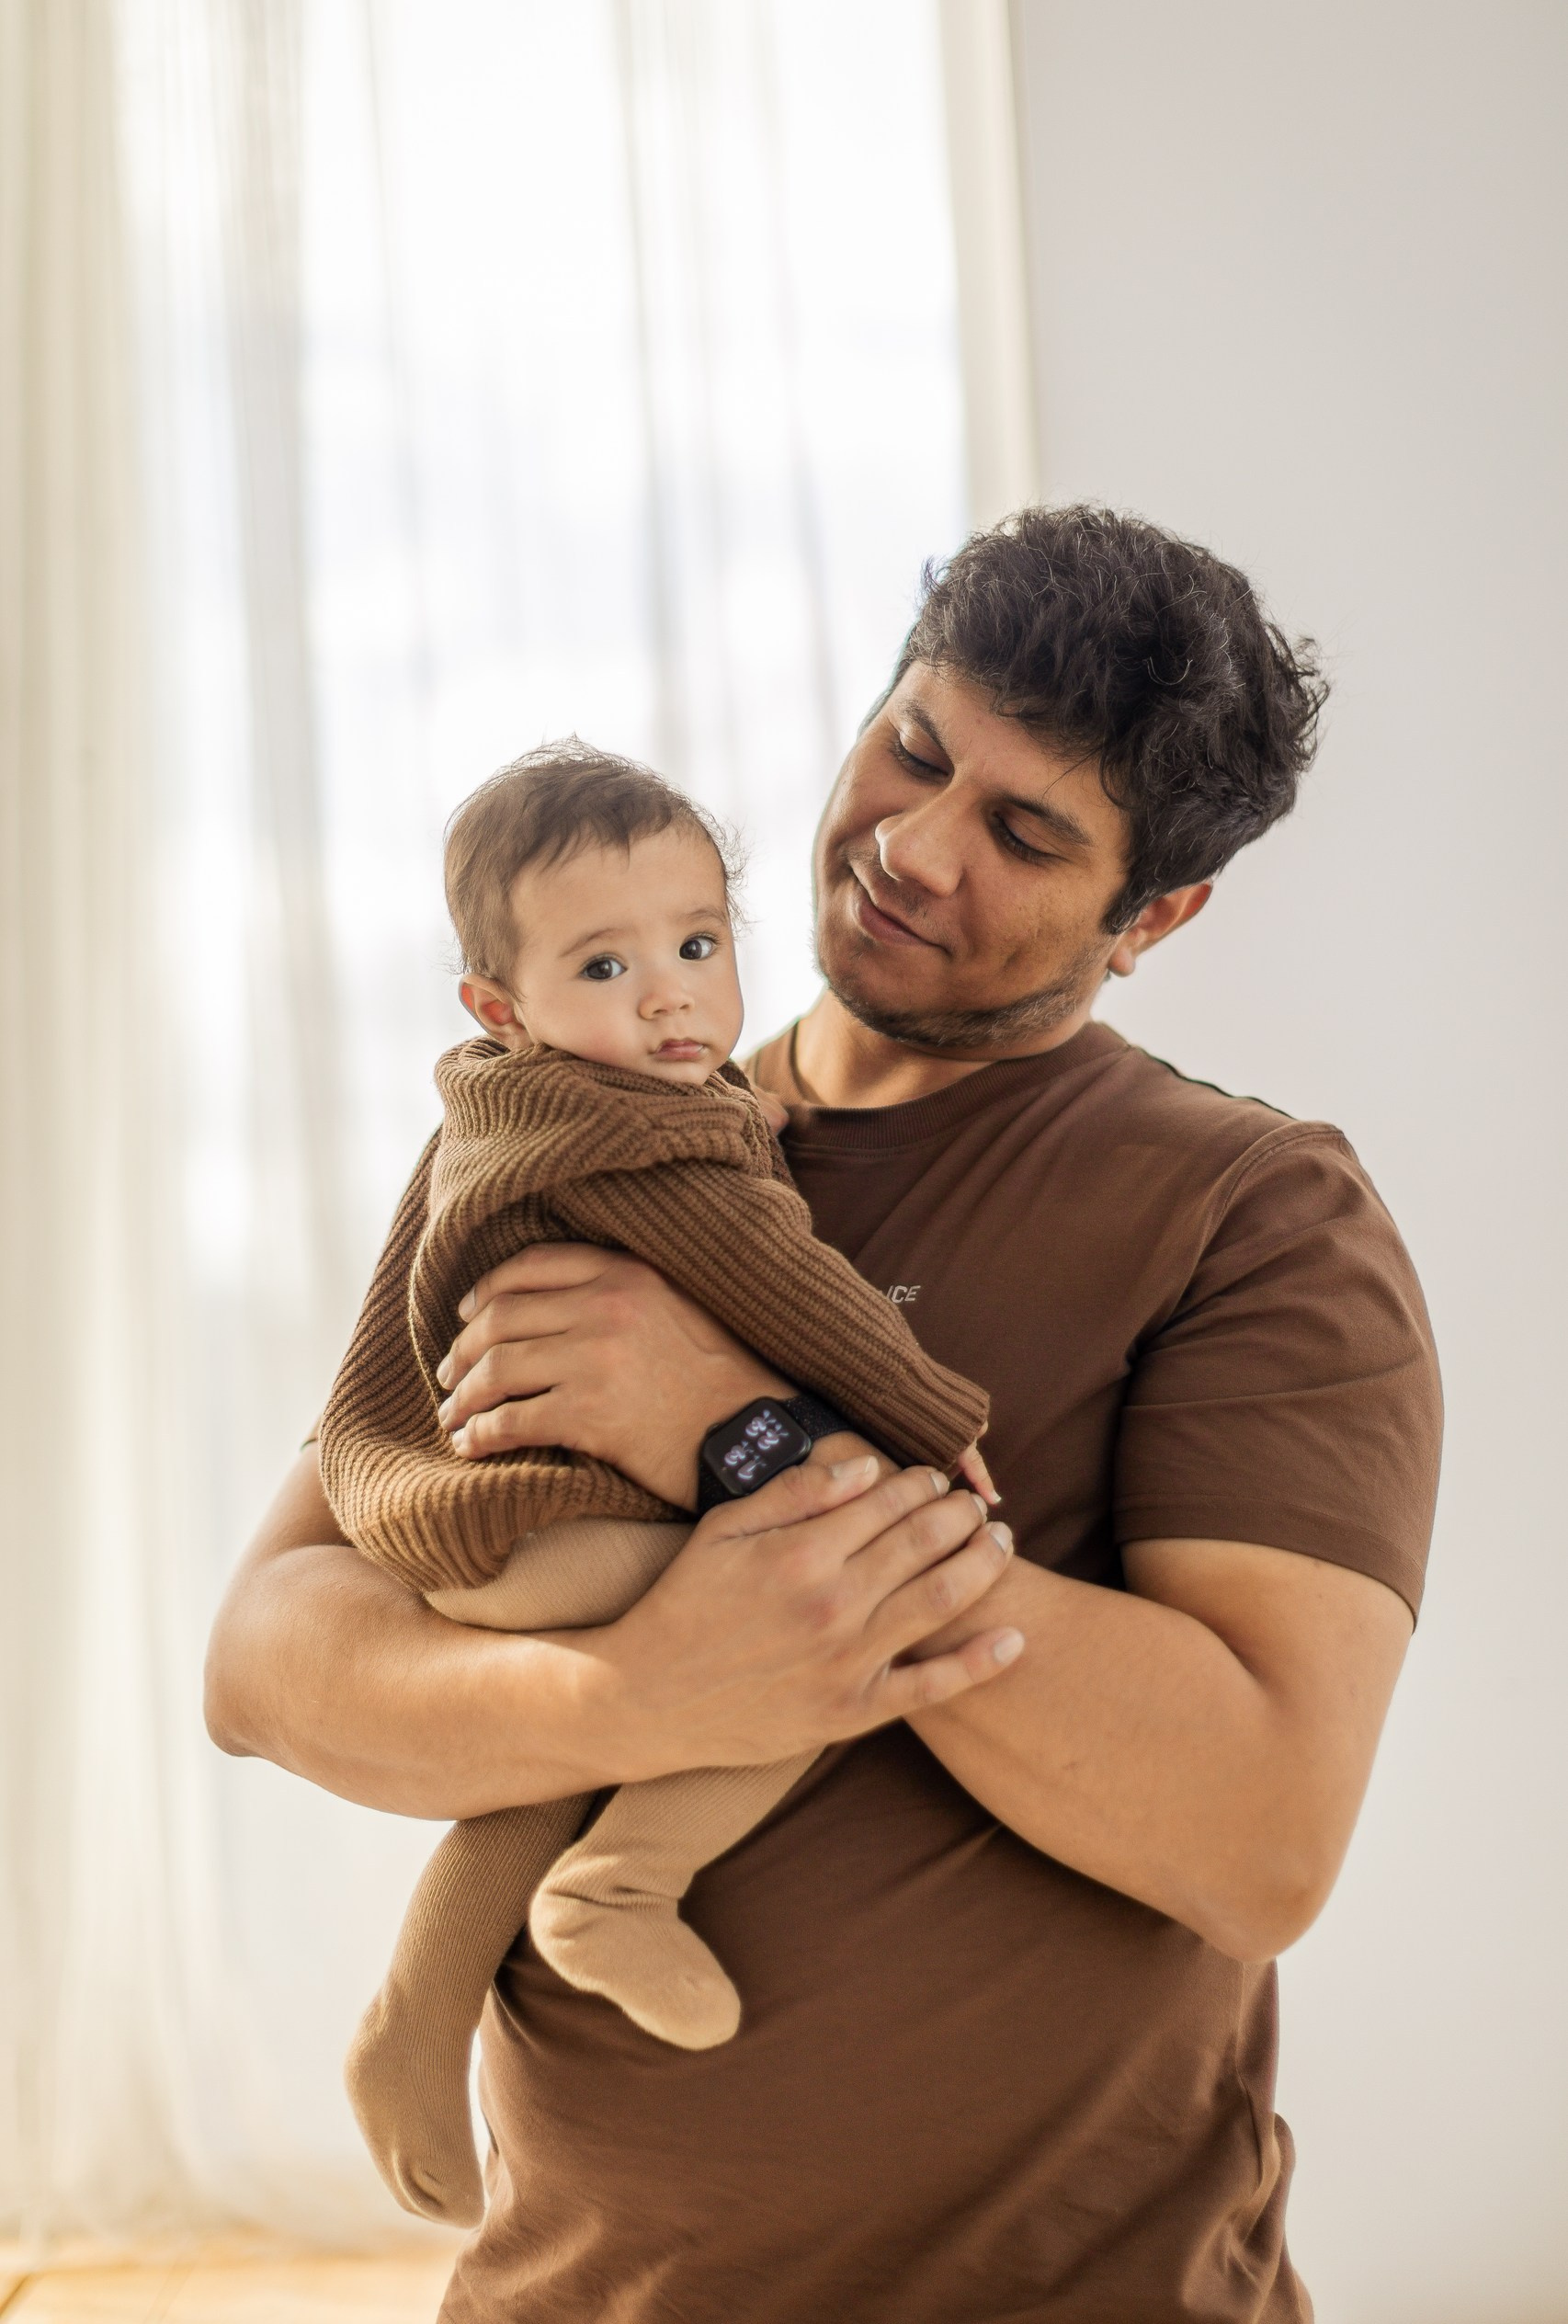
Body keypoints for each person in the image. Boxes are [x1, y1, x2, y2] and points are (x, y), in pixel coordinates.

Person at [205, 506, 1442, 2324]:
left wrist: (736, 1426)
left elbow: (1258, 1832)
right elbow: (265, 1653)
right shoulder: (583, 1110)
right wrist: (632, 1696)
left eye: (1023, 831)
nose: (912, 847)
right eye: (914, 747)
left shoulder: (1249, 1213)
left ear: (1155, 911)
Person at [324, 745, 994, 2227]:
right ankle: (622, 1882)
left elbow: (391, 1305)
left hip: (494, 1526)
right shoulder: (637, 1132)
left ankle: (410, 2025)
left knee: (559, 1750)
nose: (671, 995)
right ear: (501, 1010)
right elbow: (801, 1296)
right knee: (825, 1623)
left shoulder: (497, 1115)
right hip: (550, 1523)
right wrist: (929, 1421)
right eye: (605, 965)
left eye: (697, 945)